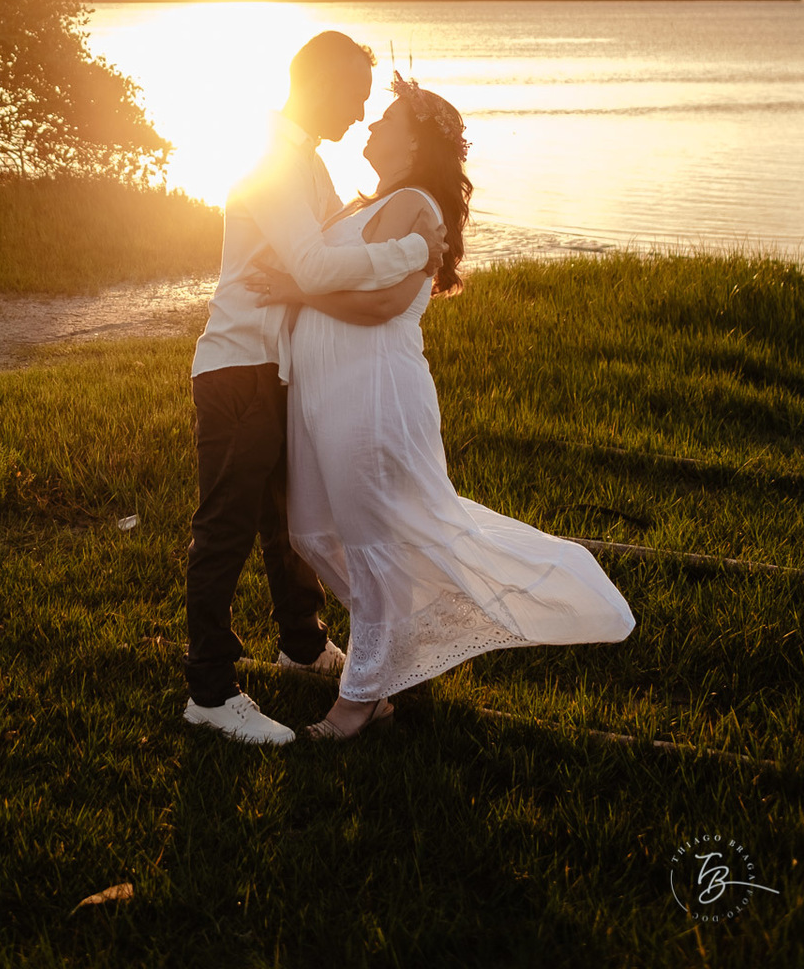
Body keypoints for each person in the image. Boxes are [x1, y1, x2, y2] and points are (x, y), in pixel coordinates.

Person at [248, 73, 635, 742]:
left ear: (414, 139)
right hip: (321, 391)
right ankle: (397, 646)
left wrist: (297, 291)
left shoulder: (417, 206)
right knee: (311, 531)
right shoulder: (368, 203)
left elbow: (385, 304)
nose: (368, 126)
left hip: (371, 391)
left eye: (385, 120)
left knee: (369, 545)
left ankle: (362, 698)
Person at [183, 33, 447, 746]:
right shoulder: (274, 163)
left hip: (276, 370)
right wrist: (415, 251)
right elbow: (315, 264)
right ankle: (209, 691)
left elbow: (333, 250)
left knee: (284, 523)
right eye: (357, 93)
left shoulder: (308, 164)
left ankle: (301, 645)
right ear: (323, 85)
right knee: (226, 530)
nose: (363, 110)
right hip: (239, 365)